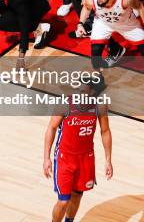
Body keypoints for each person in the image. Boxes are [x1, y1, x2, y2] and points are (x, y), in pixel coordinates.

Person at [43, 86, 112, 222]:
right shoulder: (64, 105)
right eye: (76, 91)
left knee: (77, 196)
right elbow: (51, 128)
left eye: (82, 92)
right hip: (65, 158)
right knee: (63, 201)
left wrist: (108, 159)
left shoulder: (99, 106)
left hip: (86, 158)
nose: (78, 95)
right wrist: (46, 158)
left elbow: (105, 131)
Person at [77, 0, 144, 92]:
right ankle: (97, 77)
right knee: (95, 51)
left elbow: (140, 6)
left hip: (127, 24)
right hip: (103, 23)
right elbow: (86, 8)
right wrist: (80, 24)